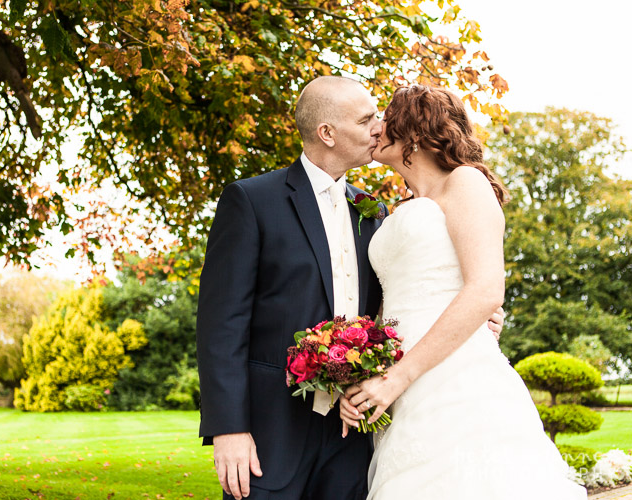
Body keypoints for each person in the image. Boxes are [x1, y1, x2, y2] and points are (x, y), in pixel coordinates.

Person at [196, 77, 504, 500]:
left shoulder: (376, 213)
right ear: (328, 133)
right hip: (272, 432)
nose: (379, 127)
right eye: (367, 120)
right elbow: (220, 323)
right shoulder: (251, 201)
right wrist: (229, 427)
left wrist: (476, 313)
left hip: (356, 429)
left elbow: (399, 294)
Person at [339, 85, 586, 499]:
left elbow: (486, 289)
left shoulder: (465, 182)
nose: (377, 128)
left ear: (414, 131)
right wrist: (367, 372)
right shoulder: (398, 209)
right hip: (400, 387)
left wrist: (396, 378)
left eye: (386, 117)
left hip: (455, 379)